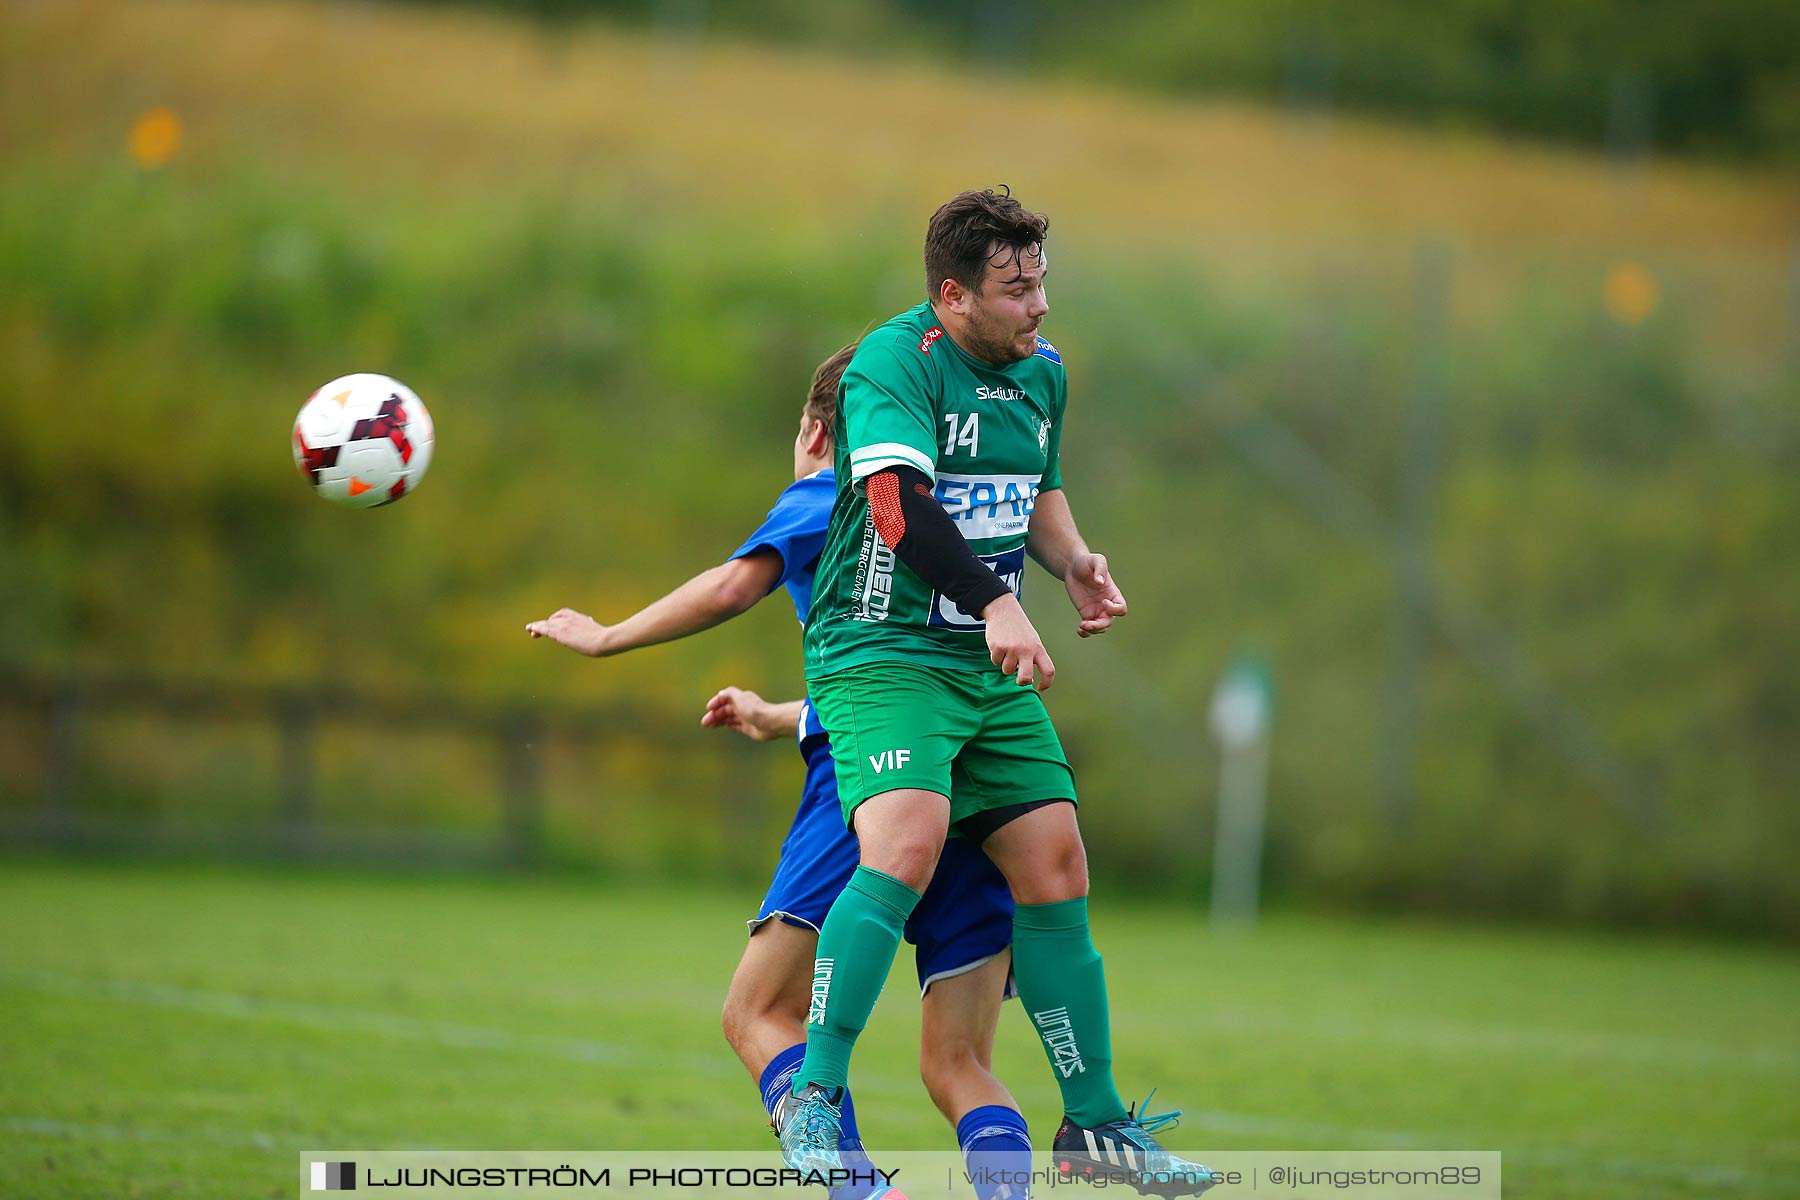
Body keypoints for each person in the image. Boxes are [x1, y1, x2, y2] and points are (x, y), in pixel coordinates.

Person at [779, 189, 1220, 1196]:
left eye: (1043, 283)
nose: (1040, 307)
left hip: (981, 658)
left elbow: (1036, 486)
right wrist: (996, 602)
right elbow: (897, 507)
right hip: (882, 651)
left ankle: (1096, 1129)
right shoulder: (893, 366)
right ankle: (813, 1097)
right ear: (952, 296)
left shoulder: (1041, 374)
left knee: (1058, 861)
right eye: (1017, 289)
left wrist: (1069, 562)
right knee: (907, 843)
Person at [526, 346, 1035, 1200]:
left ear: (814, 429)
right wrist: (784, 715)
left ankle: (865, 1193)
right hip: (981, 773)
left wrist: (607, 635)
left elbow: (734, 587)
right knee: (959, 1064)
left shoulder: (836, 489)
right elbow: (915, 677)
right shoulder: (958, 514)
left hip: (867, 782)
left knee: (758, 1013)